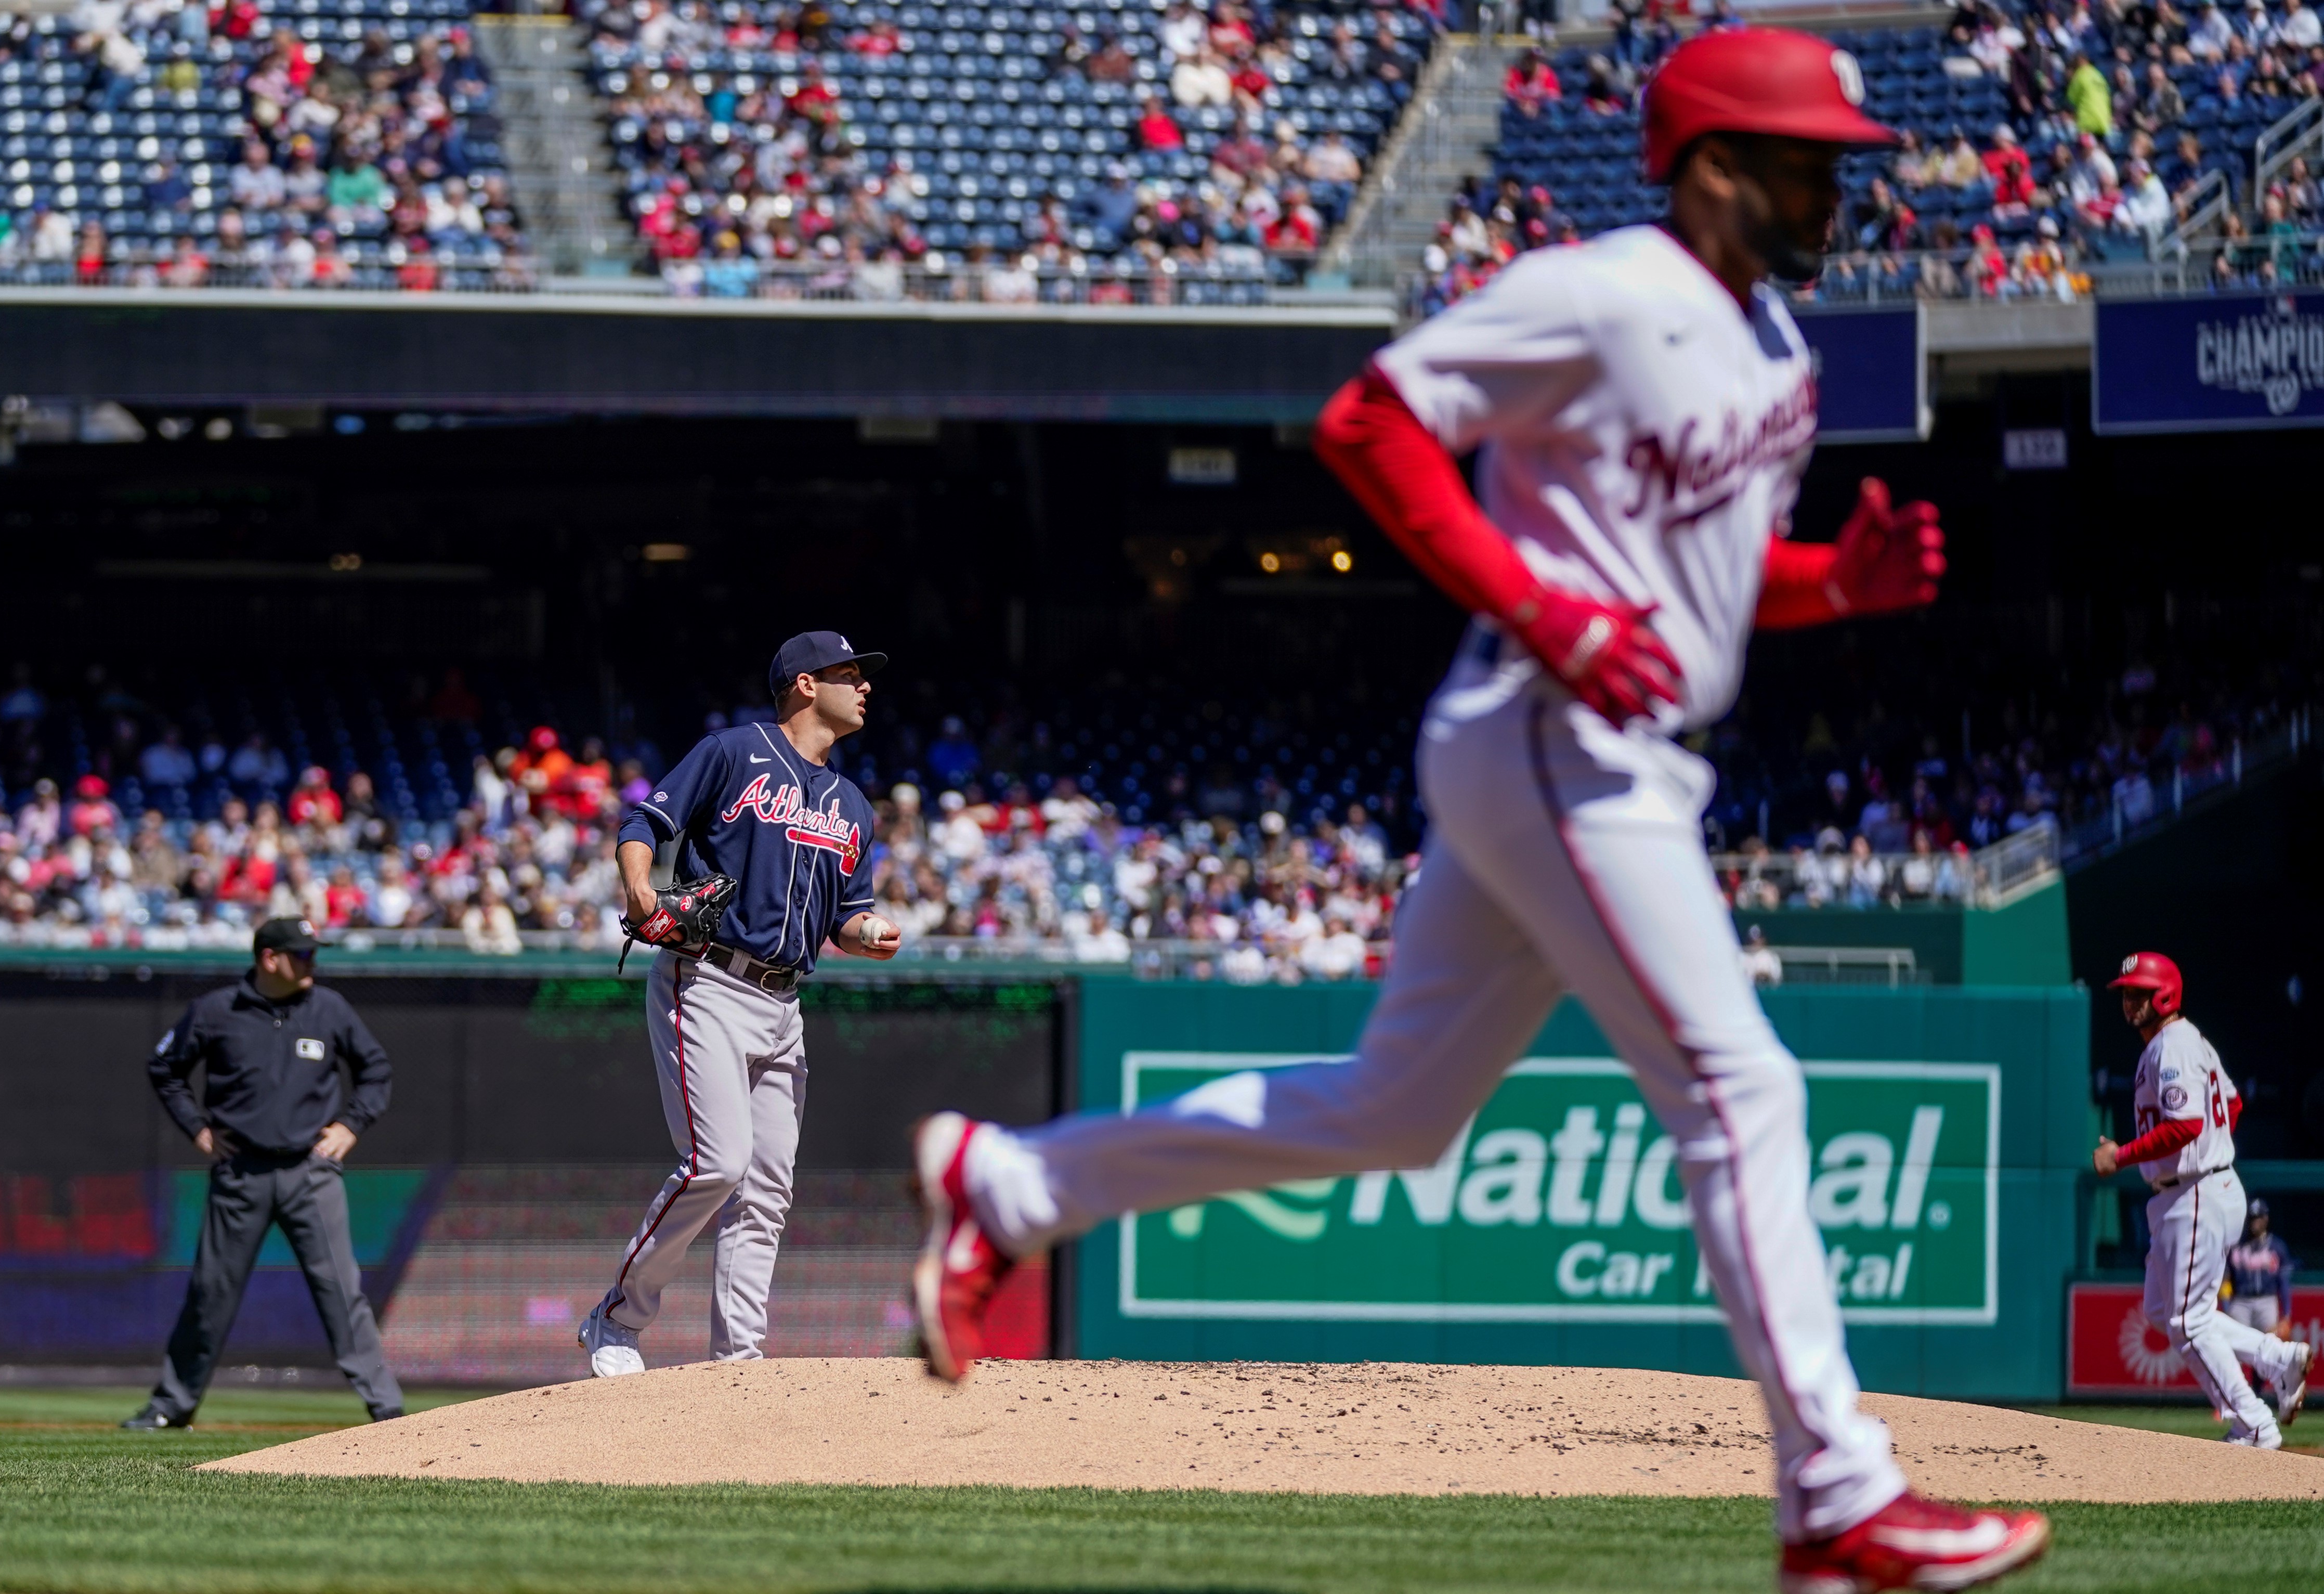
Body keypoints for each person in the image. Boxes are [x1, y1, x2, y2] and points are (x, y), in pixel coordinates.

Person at [909, 30, 2051, 1594]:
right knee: (1746, 1093)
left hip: (1612, 739)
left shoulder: (1773, 337)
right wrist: (1536, 599)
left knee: (1399, 1111)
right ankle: (1838, 1499)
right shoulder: (1598, 290)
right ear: (1714, 166)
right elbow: (1368, 421)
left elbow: (1693, 592)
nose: (1833, 178)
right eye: (1803, 156)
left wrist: (1829, 588)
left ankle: (1011, 1185)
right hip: (1554, 732)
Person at [577, 632, 904, 1375]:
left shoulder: (853, 805)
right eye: (848, 674)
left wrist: (866, 931)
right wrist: (638, 884)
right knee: (718, 1164)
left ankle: (738, 1364)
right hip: (710, 981)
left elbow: (844, 913)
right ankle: (618, 1318)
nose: (865, 687)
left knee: (765, 1192)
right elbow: (644, 823)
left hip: (784, 1006)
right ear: (802, 684)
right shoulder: (733, 752)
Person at [125, 917, 403, 1429]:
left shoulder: (328, 1008)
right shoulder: (216, 1011)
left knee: (343, 1292)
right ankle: (172, 1405)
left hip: (310, 1172)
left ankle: (387, 1408)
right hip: (241, 1172)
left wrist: (350, 1123)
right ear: (269, 957)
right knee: (211, 1290)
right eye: (302, 955)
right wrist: (198, 1129)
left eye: (314, 953)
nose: (312, 964)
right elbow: (165, 1068)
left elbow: (375, 1070)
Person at [2094, 952, 2311, 1443]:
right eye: (2126, 993)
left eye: (2140, 992)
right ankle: (2279, 1358)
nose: (2130, 1001)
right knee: (2161, 1309)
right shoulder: (2189, 1042)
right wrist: (2214, 1149)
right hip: (2199, 1187)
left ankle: (2253, 1423)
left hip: (2194, 1191)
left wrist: (2122, 1156)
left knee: (2188, 1323)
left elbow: (2188, 1124)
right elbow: (2230, 1103)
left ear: (2165, 995)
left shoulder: (2173, 1043)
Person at [2226, 1198, 2300, 1390]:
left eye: (2258, 1218)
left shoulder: (2276, 1247)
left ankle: (2257, 1394)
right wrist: (2226, 1306)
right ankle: (2233, 1395)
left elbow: (2283, 1283)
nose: (2254, 1222)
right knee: (2234, 1351)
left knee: (2264, 1353)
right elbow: (2226, 1281)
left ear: (2266, 1219)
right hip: (2241, 1302)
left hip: (2267, 1301)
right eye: (2252, 1218)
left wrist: (2287, 1314)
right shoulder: (2236, 1247)